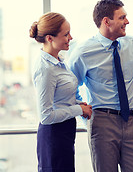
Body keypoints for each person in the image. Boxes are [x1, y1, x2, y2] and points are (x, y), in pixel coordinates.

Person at [68, 0, 133, 172]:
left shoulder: (132, 44)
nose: (127, 21)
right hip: (103, 123)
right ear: (106, 21)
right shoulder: (83, 52)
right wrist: (85, 115)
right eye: (122, 17)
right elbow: (70, 90)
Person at [30, 12, 93, 172]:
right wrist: (79, 110)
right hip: (53, 136)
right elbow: (46, 116)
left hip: (64, 133)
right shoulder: (45, 69)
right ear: (50, 38)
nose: (70, 38)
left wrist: (79, 103)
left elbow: (60, 98)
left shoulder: (59, 61)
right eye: (66, 34)